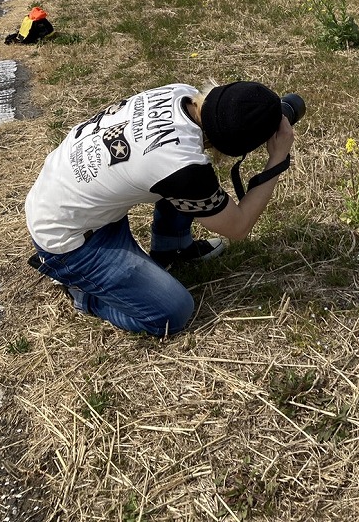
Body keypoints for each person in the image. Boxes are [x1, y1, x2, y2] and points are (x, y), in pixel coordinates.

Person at [25, 80, 294, 337]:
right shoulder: (184, 167)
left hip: (63, 199)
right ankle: (85, 293)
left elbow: (174, 161)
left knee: (189, 181)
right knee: (172, 313)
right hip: (69, 242)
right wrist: (277, 159)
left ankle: (172, 249)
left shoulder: (180, 94)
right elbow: (238, 226)